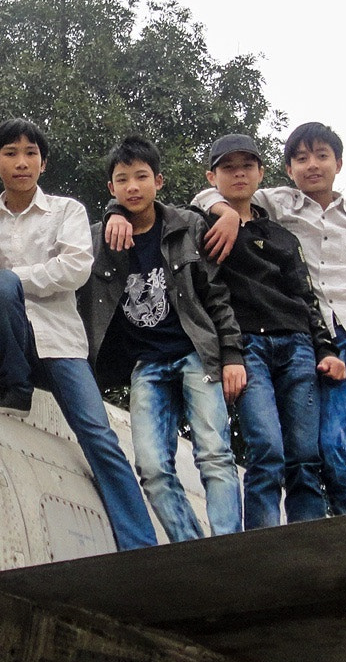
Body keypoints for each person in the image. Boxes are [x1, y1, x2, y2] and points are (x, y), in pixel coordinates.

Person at [167, 122, 346, 514]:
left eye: (322, 156)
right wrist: (225, 213)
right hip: (322, 338)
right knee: (330, 449)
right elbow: (213, 189)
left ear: (339, 163)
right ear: (288, 169)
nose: (312, 165)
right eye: (301, 158)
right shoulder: (280, 205)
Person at [0, 119, 159, 551]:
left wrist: (12, 275)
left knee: (99, 435)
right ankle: (14, 387)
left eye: (31, 153)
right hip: (5, 340)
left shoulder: (67, 211)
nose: (22, 162)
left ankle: (141, 546)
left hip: (59, 342)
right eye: (11, 154)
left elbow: (75, 268)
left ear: (43, 161)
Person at [80, 135, 246, 542]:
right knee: (152, 470)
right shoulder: (99, 237)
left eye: (141, 177)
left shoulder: (187, 226)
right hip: (146, 366)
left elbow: (216, 296)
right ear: (111, 189)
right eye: (123, 180)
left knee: (214, 456)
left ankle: (227, 546)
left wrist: (232, 356)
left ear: (159, 180)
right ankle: (193, 548)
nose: (133, 187)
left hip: (195, 354)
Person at [195, 134, 346, 530]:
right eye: (228, 167)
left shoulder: (282, 236)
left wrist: (325, 349)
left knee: (305, 454)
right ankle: (262, 545)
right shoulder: (203, 227)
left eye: (247, 165)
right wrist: (230, 355)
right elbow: (211, 293)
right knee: (266, 449)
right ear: (212, 176)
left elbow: (305, 295)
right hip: (248, 347)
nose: (239, 173)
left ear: (262, 172)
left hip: (296, 344)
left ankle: (306, 541)